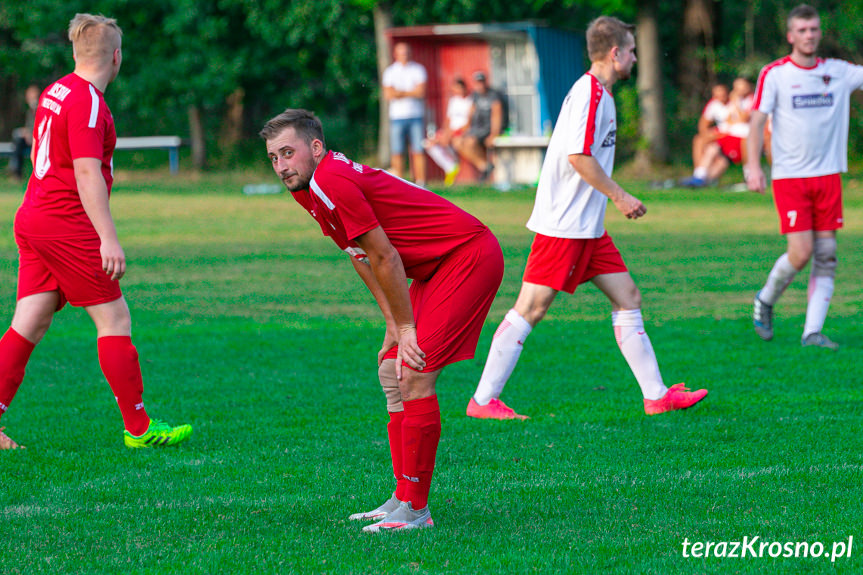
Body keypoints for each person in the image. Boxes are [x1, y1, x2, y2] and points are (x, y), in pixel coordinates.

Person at [261, 109, 503, 531]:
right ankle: (403, 497)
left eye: (288, 153)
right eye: (273, 158)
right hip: (433, 268)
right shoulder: (310, 188)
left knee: (415, 371)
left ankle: (416, 511)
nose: (282, 166)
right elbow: (360, 255)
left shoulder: (331, 179)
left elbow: (385, 255)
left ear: (316, 148)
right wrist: (393, 322)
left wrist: (408, 328)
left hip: (466, 256)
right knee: (392, 370)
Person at [467, 16, 708, 421]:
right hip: (565, 224)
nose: (633, 56)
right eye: (630, 50)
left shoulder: (602, 95)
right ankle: (484, 400)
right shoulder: (590, 95)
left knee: (628, 297)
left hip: (588, 226)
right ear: (615, 53)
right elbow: (577, 157)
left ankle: (657, 396)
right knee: (531, 307)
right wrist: (621, 195)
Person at [0, 14, 192, 450]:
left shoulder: (56, 89)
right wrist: (108, 236)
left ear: (75, 53)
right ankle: (140, 428)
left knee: (30, 320)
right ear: (117, 58)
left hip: (34, 217)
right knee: (115, 318)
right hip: (66, 224)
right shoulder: (87, 102)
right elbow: (86, 172)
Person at [746, 4, 863, 349]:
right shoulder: (775, 73)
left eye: (813, 29)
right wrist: (753, 166)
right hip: (791, 177)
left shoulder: (838, 71)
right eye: (802, 30)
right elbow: (755, 123)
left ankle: (812, 332)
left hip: (828, 176)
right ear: (790, 35)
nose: (809, 35)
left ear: (819, 32)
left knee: (826, 253)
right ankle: (765, 299)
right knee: (801, 252)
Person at [681, 78, 754, 188]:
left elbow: (742, 119)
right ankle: (700, 177)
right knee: (711, 150)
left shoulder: (748, 99)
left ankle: (750, 177)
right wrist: (708, 134)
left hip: (740, 137)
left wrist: (735, 102)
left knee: (716, 153)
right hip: (725, 135)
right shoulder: (714, 103)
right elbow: (704, 123)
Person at [382, 42, 427, 186]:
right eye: (401, 53)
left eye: (406, 52)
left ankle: (421, 183)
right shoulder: (390, 72)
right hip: (397, 117)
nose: (404, 55)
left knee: (418, 150)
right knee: (397, 151)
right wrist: (410, 91)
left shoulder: (418, 69)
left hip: (416, 115)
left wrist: (399, 92)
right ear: (395, 54)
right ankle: (399, 183)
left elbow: (421, 92)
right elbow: (388, 94)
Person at [453, 71, 505, 181]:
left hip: (487, 128)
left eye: (481, 82)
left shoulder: (493, 95)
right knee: (457, 142)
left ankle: (486, 168)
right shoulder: (475, 96)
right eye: (477, 83)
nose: (480, 85)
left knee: (470, 142)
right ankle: (484, 166)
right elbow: (470, 114)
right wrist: (465, 130)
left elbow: (497, 116)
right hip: (476, 129)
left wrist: (494, 134)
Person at [424, 77, 472, 186]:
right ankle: (450, 166)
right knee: (429, 143)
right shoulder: (454, 101)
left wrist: (451, 133)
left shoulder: (470, 101)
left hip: (461, 132)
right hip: (450, 131)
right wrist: (444, 132)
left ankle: (452, 165)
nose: (456, 91)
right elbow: (448, 120)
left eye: (458, 88)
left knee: (445, 141)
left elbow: (469, 122)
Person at [8, 84, 40, 180]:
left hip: (38, 139)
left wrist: (30, 134)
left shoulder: (40, 109)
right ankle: (15, 171)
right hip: (29, 139)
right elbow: (29, 126)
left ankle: (15, 170)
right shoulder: (29, 111)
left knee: (18, 139)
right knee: (17, 136)